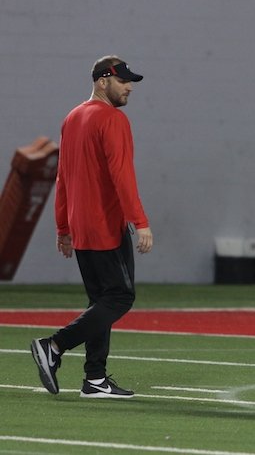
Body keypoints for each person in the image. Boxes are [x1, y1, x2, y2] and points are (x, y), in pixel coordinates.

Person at [30, 55, 153, 399]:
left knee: (99, 301)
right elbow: (122, 176)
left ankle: (95, 379)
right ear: (103, 81)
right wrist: (139, 222)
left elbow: (63, 176)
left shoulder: (72, 117)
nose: (129, 87)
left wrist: (63, 227)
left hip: (82, 226)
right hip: (106, 225)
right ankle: (54, 346)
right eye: (123, 81)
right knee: (120, 297)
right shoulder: (113, 120)